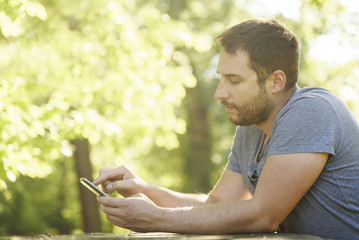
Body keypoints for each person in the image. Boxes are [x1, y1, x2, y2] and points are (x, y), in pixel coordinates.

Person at [93, 19, 359, 239]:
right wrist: (143, 189)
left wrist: (157, 218)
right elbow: (217, 206)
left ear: (276, 81)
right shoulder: (252, 125)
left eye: (234, 80)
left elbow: (263, 216)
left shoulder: (312, 110)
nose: (220, 93)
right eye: (221, 78)